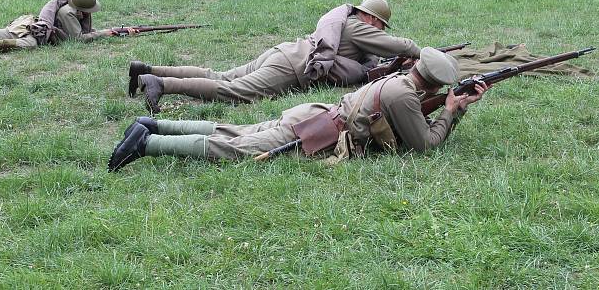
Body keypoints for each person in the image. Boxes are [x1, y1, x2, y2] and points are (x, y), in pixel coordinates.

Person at [108, 47, 488, 171]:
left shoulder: (401, 83)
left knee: (239, 132)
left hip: (313, 112)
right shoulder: (405, 95)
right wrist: (452, 111)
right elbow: (423, 146)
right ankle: (148, 143)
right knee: (240, 148)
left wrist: (449, 104)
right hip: (315, 129)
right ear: (435, 83)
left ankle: (154, 123)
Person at [131, 0, 421, 113]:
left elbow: (371, 61)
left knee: (218, 75)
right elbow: (399, 45)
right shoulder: (359, 27)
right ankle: (162, 85)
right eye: (381, 25)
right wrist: (422, 53)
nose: (380, 31)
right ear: (371, 18)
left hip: (286, 52)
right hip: (290, 66)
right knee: (235, 92)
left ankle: (148, 70)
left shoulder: (346, 22)